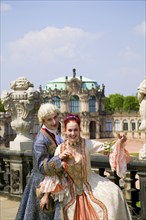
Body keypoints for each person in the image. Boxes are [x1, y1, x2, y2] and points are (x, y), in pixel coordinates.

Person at [38, 113, 132, 220]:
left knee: (115, 193)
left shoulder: (87, 144)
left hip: (90, 184)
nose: (73, 133)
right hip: (70, 191)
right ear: (65, 131)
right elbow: (53, 174)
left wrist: (120, 142)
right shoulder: (60, 149)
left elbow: (107, 147)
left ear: (80, 130)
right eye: (70, 130)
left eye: (75, 130)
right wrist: (46, 196)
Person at [15, 103, 69, 220]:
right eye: (49, 119)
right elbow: (41, 167)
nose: (54, 122)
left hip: (54, 182)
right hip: (42, 184)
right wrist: (59, 158)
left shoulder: (55, 132)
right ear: (43, 121)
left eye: (55, 117)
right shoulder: (40, 139)